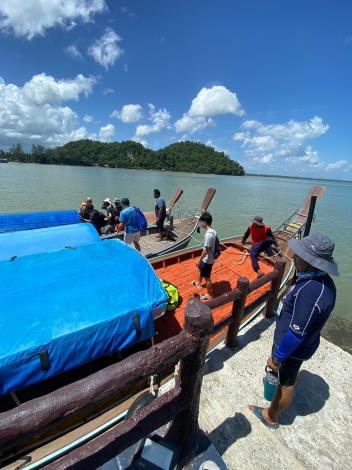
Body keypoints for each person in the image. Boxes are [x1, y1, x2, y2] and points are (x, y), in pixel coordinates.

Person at [248, 233, 338, 429]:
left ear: (312, 262)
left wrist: (277, 358)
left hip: (292, 350)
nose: (295, 257)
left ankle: (270, 416)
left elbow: (296, 334)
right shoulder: (322, 283)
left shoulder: (309, 291)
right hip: (301, 345)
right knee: (289, 375)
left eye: (300, 256)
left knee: (286, 384)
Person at [192, 211, 217, 300]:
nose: (200, 223)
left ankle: (209, 295)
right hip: (209, 258)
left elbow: (206, 250)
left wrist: (200, 259)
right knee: (201, 269)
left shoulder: (208, 235)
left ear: (204, 222)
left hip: (207, 259)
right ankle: (198, 283)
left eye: (201, 221)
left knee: (207, 278)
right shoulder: (213, 230)